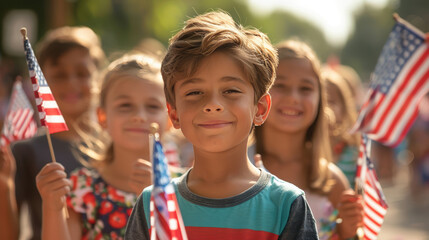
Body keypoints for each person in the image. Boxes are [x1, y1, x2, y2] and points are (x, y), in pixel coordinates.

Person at [125, 11, 318, 240]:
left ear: (260, 108)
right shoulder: (152, 204)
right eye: (195, 92)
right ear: (174, 113)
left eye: (231, 91)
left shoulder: (286, 204)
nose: (213, 105)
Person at [36, 53, 173, 239]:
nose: (139, 116)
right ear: (102, 117)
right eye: (125, 105)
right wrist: (52, 207)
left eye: (152, 106)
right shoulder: (83, 188)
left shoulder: (184, 188)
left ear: (171, 118)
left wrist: (157, 202)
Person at [0, 26, 106, 240]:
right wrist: (4, 185)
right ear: (40, 82)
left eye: (82, 73)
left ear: (98, 77)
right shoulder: (25, 150)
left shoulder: (114, 144)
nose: (72, 83)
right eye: (59, 75)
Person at [253, 39, 363, 240]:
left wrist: (347, 231)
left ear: (320, 99)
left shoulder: (332, 180)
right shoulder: (236, 166)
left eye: (305, 88)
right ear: (260, 94)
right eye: (281, 85)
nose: (294, 97)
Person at [322, 68, 360, 187]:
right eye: (321, 102)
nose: (326, 109)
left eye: (331, 102)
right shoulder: (306, 148)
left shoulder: (354, 152)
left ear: (344, 109)